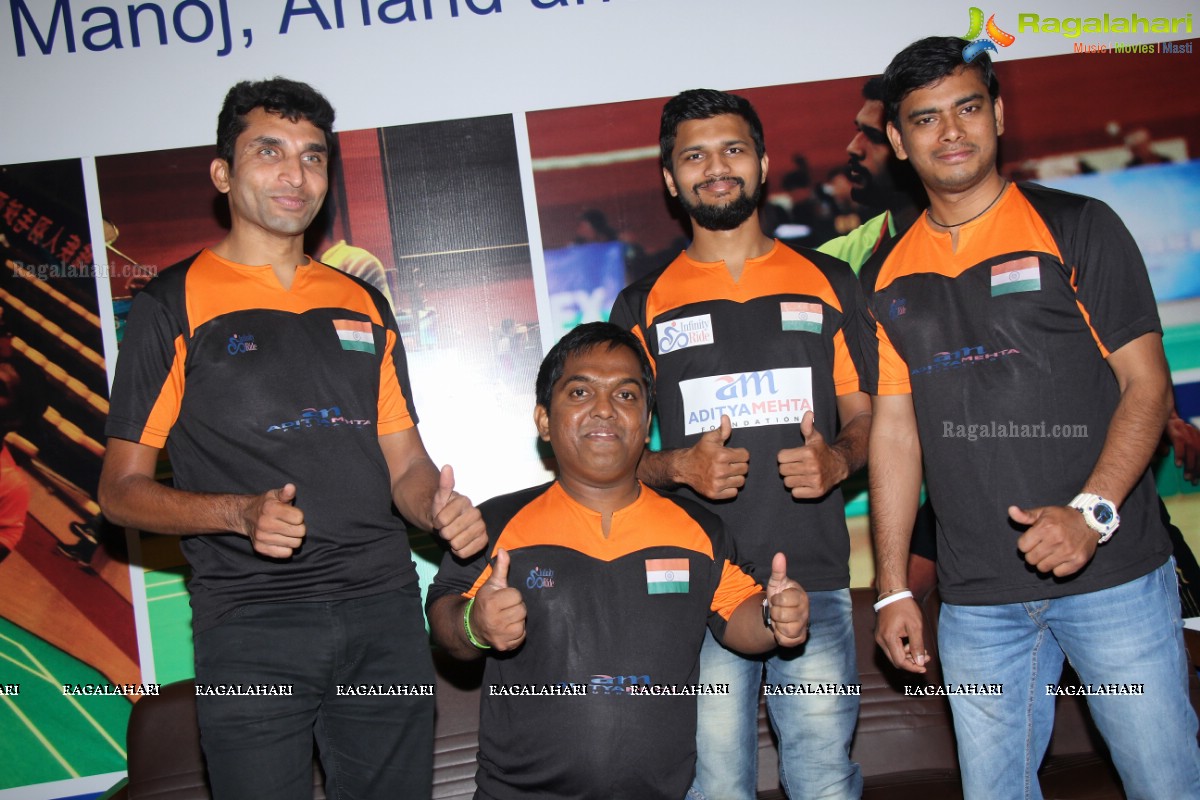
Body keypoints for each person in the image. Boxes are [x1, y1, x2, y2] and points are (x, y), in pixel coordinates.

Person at [98, 78, 486, 800]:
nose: (295, 174)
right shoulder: (169, 304)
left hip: (383, 614)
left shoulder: (362, 301)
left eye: (313, 157)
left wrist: (436, 507)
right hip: (252, 623)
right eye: (269, 151)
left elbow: (403, 462)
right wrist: (236, 513)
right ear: (223, 174)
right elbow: (119, 493)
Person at [862, 36, 1200, 800]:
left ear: (999, 115)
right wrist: (891, 589)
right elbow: (893, 432)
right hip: (977, 601)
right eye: (925, 118)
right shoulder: (885, 276)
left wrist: (1092, 513)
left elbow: (1147, 387)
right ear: (897, 141)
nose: (951, 132)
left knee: (1166, 784)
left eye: (968, 107)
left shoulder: (1079, 226)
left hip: (1113, 576)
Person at [610, 89, 872, 800]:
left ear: (759, 162)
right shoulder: (643, 304)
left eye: (732, 149)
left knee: (822, 781)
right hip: (696, 587)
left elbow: (869, 415)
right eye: (693, 156)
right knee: (716, 787)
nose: (715, 168)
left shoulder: (829, 281)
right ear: (670, 179)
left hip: (812, 578)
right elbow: (608, 455)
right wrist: (675, 466)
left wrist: (840, 459)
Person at [427, 321, 811, 800]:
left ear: (647, 420)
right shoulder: (499, 523)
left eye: (627, 395)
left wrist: (778, 616)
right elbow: (442, 617)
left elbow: (741, 618)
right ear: (544, 420)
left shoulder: (698, 531)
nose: (605, 409)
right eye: (581, 391)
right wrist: (474, 624)